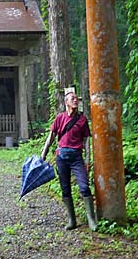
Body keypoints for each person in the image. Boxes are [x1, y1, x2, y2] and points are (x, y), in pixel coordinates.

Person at [40, 89, 97, 231]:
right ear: (66, 102)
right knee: (65, 189)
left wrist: (87, 159)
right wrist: (43, 154)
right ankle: (72, 220)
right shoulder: (60, 118)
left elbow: (86, 141)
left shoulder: (82, 120)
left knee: (84, 187)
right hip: (61, 157)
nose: (75, 100)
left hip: (77, 157)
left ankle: (92, 220)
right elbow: (51, 137)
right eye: (72, 99)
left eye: (76, 98)